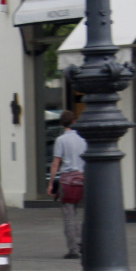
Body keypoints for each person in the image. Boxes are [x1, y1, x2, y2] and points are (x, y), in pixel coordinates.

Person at [47, 109, 86, 260]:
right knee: (80, 214)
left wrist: (51, 184)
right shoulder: (82, 139)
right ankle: (83, 242)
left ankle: (73, 248)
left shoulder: (61, 140)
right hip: (82, 180)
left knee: (69, 215)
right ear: (74, 121)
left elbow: (56, 163)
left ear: (62, 123)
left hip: (67, 182)